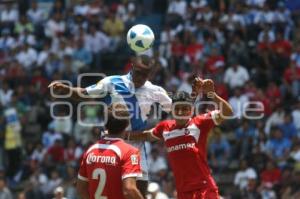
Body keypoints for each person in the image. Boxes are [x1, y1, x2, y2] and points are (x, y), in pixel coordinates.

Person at [49, 54, 172, 196]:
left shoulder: (155, 91)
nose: (141, 78)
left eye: (145, 75)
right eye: (138, 73)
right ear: (132, 67)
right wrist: (67, 90)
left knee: (139, 193)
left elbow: (177, 109)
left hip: (136, 148)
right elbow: (84, 94)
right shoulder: (111, 82)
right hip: (110, 145)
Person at [127, 79, 233, 199]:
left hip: (204, 188)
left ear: (191, 110)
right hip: (182, 191)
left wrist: (212, 95)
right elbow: (145, 135)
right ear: (172, 110)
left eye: (184, 109)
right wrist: (120, 135)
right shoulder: (164, 128)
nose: (180, 112)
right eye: (177, 109)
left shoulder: (200, 123)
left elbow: (228, 112)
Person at [76, 103, 143, 199]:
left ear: (105, 125)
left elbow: (81, 189)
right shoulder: (130, 152)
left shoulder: (90, 150)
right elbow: (129, 189)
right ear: (127, 124)